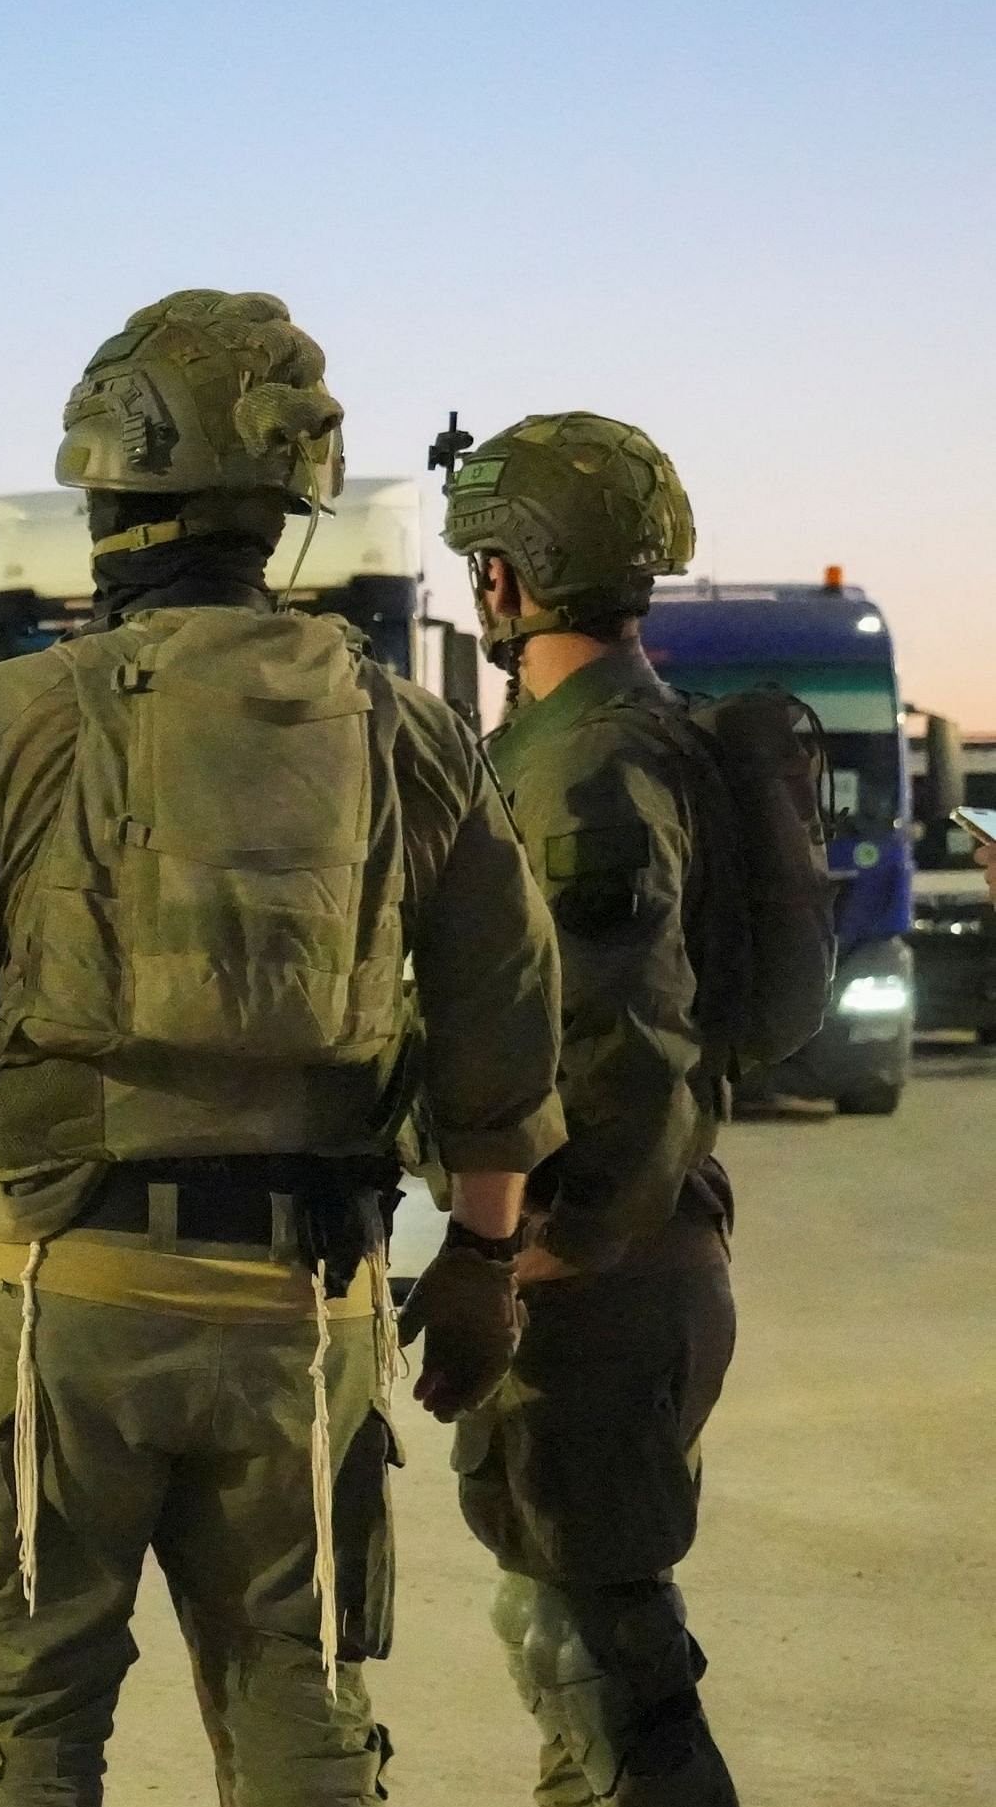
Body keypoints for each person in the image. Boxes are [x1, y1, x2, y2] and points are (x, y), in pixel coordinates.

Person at [0, 290, 567, 1805]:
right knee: (301, 1697)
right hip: (305, 1304)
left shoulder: (13, 716)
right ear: (285, 501)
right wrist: (481, 1259)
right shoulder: (406, 729)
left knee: (30, 1725)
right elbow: (504, 1020)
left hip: (52, 1295)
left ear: (111, 501)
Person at [440, 413, 746, 1804]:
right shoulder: (648, 732)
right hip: (644, 1252)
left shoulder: (579, 769)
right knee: (576, 1656)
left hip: (597, 1275)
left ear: (504, 579)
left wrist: (519, 1257)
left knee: (602, 1661)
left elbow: (615, 1052)